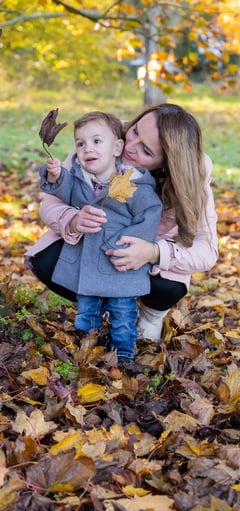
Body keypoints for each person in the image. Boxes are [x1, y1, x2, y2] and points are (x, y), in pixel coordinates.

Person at [25, 103, 218, 342]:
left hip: (146, 258)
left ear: (167, 163)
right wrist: (74, 219)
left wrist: (153, 252)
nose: (130, 147)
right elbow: (50, 204)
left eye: (146, 151)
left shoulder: (192, 173)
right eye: (135, 131)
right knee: (47, 261)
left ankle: (150, 314)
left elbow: (207, 250)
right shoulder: (100, 136)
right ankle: (104, 303)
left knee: (169, 287)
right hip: (100, 244)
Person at [38, 111, 162, 368]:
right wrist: (55, 176)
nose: (87, 149)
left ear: (118, 147)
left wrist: (120, 245)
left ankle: (124, 353)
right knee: (87, 307)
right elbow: (68, 190)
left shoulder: (135, 185)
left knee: (123, 313)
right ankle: (87, 345)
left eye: (96, 142)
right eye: (80, 143)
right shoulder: (83, 179)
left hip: (120, 264)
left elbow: (150, 217)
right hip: (91, 265)